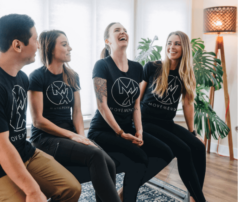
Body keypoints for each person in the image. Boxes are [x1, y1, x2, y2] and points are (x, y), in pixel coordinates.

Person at [0, 14, 81, 202]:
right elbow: (0, 146)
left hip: (23, 153)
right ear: (17, 45)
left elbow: (16, 130)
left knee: (72, 189)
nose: (39, 45)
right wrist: (32, 190)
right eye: (35, 39)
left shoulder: (22, 78)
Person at [28, 30, 121, 202]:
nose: (69, 48)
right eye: (64, 44)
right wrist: (72, 136)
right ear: (50, 48)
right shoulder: (37, 77)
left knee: (110, 164)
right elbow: (38, 120)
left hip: (69, 135)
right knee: (96, 155)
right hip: (45, 139)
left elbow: (77, 112)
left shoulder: (72, 76)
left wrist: (82, 138)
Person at [87, 22, 173, 202]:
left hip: (128, 129)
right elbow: (102, 104)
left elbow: (136, 104)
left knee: (166, 151)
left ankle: (125, 193)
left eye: (124, 30)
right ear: (108, 40)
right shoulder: (101, 65)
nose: (123, 32)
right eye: (117, 30)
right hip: (103, 131)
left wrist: (139, 130)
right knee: (140, 158)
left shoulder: (136, 68)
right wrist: (120, 132)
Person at [139, 31, 207, 202]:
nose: (172, 47)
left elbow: (187, 104)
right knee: (183, 150)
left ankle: (192, 197)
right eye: (169, 42)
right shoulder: (152, 67)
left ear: (184, 48)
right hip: (146, 121)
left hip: (166, 123)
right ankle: (200, 200)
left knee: (198, 147)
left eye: (177, 43)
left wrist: (192, 132)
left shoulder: (186, 73)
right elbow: (136, 99)